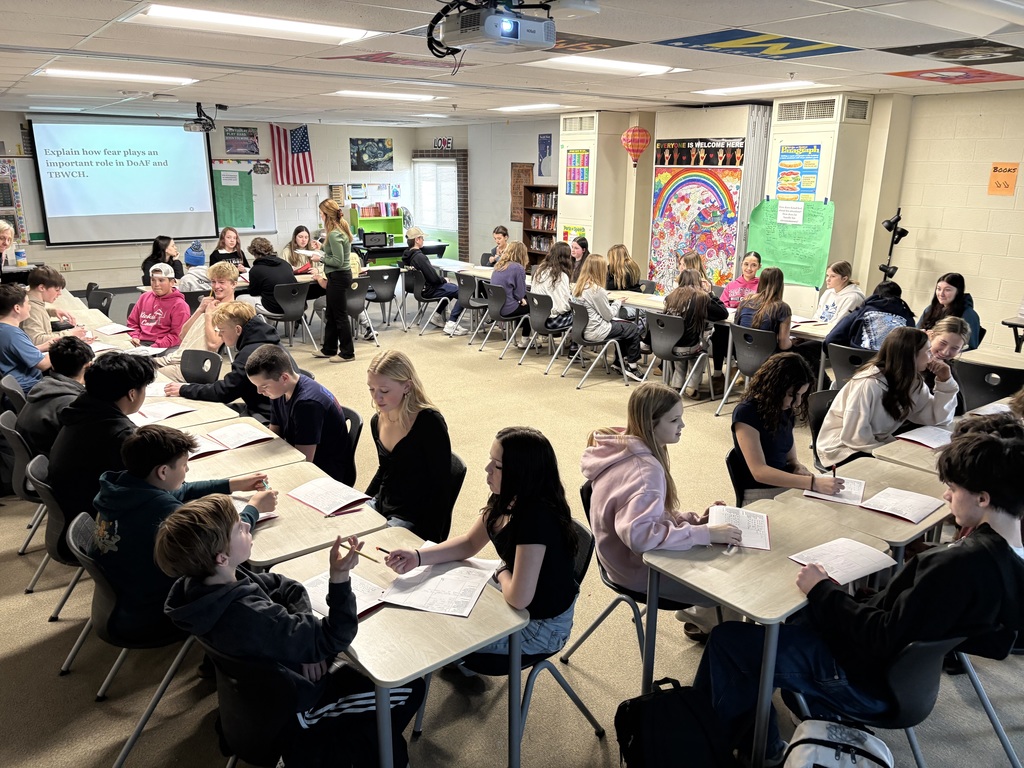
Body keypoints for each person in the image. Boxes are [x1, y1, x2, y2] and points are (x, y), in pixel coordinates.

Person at [693, 426, 1024, 765]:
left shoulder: (955, 566)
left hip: (865, 679)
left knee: (729, 641)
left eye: (953, 489)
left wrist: (823, 590)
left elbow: (879, 636)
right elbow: (934, 620)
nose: (946, 496)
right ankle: (800, 711)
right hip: (904, 679)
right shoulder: (1008, 558)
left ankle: (740, 747)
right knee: (795, 615)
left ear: (983, 499)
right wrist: (869, 595)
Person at [156, 497, 423, 767]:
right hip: (298, 709)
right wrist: (339, 578)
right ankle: (327, 753)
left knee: (366, 688)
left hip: (263, 699)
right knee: (410, 689)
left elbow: (286, 586)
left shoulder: (205, 587)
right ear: (222, 557)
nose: (247, 526)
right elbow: (337, 636)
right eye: (239, 528)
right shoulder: (251, 615)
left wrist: (306, 645)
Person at [385, 426, 579, 658]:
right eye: (490, 460)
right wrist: (418, 557)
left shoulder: (536, 519)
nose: (487, 469)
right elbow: (469, 543)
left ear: (521, 473)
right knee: (439, 594)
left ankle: (461, 662)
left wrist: (503, 572)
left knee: (437, 635)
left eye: (497, 465)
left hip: (539, 627)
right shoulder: (507, 497)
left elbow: (519, 598)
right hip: (519, 594)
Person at [581, 383, 741, 633]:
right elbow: (641, 537)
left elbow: (649, 515)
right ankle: (723, 638)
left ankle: (708, 621)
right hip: (636, 570)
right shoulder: (646, 472)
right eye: (674, 419)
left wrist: (695, 521)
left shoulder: (623, 447)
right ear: (650, 423)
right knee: (733, 584)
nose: (682, 425)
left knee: (720, 556)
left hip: (619, 559)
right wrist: (706, 533)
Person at [91, 424, 275, 627]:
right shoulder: (164, 512)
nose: (187, 470)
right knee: (233, 565)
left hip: (122, 597)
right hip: (154, 610)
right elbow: (223, 539)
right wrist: (255, 507)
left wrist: (232, 484)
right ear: (163, 471)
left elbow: (181, 490)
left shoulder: (122, 487)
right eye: (184, 465)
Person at [817, 326, 958, 467]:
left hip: (874, 443)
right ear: (910, 356)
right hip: (843, 449)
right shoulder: (868, 384)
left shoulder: (912, 381)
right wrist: (891, 452)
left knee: (928, 461)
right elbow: (855, 437)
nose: (931, 356)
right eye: (927, 351)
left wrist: (945, 381)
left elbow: (937, 418)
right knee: (907, 468)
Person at [48, 352, 156, 522]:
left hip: (73, 504)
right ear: (132, 394)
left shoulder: (80, 408)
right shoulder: (121, 435)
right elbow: (151, 484)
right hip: (99, 515)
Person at [731, 352, 844, 504]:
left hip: (783, 484)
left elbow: (790, 459)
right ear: (774, 388)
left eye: (801, 395)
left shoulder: (783, 409)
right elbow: (759, 472)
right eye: (792, 394)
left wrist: (797, 467)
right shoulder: (746, 413)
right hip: (759, 492)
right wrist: (812, 483)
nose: (797, 402)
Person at [366, 350, 453, 542]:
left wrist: (432, 544)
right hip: (384, 503)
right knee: (343, 528)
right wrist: (362, 500)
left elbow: (441, 487)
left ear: (407, 386)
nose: (376, 398)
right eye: (371, 389)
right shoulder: (377, 420)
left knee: (374, 545)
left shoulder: (429, 423)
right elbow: (385, 470)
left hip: (413, 514)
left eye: (384, 391)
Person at [245, 344, 356, 486]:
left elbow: (304, 462)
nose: (259, 392)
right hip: (300, 457)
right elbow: (275, 435)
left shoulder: (307, 404)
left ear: (284, 377)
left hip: (325, 473)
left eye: (264, 386)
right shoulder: (279, 391)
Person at [164, 301, 280, 421]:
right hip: (266, 408)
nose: (219, 334)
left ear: (238, 330)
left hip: (266, 416)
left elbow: (224, 392)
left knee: (203, 415)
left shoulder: (249, 355)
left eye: (222, 330)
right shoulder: (268, 341)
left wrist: (184, 389)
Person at [155, 261, 240, 383]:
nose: (216, 286)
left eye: (221, 282)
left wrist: (209, 315)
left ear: (234, 284)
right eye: (213, 282)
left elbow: (213, 344)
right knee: (134, 364)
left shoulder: (230, 311)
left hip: (193, 366)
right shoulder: (210, 306)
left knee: (142, 375)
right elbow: (182, 335)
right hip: (176, 358)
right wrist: (200, 310)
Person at [16, 336, 94, 457]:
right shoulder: (72, 402)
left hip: (33, 451)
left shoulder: (44, 384)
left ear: (52, 365)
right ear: (88, 366)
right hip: (48, 456)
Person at [571, 253, 643, 380]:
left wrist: (603, 296)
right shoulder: (596, 291)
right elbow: (609, 316)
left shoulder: (578, 286)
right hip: (596, 331)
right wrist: (617, 302)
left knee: (623, 327)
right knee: (633, 328)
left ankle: (618, 362)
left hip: (580, 330)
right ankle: (632, 367)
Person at [660, 269, 728, 396]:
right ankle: (692, 386)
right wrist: (710, 293)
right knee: (702, 348)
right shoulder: (701, 298)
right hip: (689, 347)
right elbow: (723, 313)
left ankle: (677, 384)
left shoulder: (670, 297)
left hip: (669, 346)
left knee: (682, 344)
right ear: (699, 282)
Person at [401, 225, 467, 337]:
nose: (423, 240)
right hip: (428, 290)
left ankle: (437, 316)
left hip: (418, 289)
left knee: (450, 288)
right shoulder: (420, 257)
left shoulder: (407, 256)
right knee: (463, 292)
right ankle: (452, 323)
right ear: (417, 240)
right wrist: (443, 279)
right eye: (422, 238)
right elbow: (433, 278)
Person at [312, 199, 357, 361]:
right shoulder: (337, 230)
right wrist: (321, 248)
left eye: (321, 214)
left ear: (326, 215)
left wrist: (320, 258)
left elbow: (337, 261)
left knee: (340, 316)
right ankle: (329, 349)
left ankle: (347, 353)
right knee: (331, 314)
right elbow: (334, 252)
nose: (320, 216)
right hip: (337, 276)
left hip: (338, 276)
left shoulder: (334, 234)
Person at [824, 280, 915, 350]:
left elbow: (831, 339)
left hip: (857, 363)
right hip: (891, 366)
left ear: (875, 295)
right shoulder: (908, 318)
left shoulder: (861, 311)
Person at [0, 282, 51, 393]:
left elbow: (15, 353)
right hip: (30, 389)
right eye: (27, 303)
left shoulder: (4, 329)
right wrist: (61, 349)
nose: (30, 307)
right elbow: (43, 364)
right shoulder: (13, 334)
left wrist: (43, 346)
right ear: (17, 308)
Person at [128, 263, 191, 348]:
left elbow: (177, 335)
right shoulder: (144, 297)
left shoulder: (180, 305)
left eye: (161, 280)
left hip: (165, 345)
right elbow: (132, 323)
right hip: (141, 342)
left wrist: (155, 347)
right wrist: (135, 336)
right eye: (153, 280)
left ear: (172, 282)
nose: (156, 284)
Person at [21, 266, 85, 348]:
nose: (59, 294)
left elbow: (37, 314)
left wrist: (52, 311)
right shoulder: (31, 308)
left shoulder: (32, 301)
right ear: (41, 288)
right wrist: (69, 334)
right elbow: (36, 340)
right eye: (57, 290)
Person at [918, 272, 982, 350]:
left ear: (958, 292)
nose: (941, 294)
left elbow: (970, 346)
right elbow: (915, 332)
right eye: (938, 289)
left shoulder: (968, 314)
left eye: (947, 290)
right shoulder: (930, 309)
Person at [735, 266, 792, 351]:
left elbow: (736, 326)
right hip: (769, 356)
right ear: (780, 285)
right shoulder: (783, 308)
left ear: (760, 282)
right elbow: (783, 345)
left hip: (742, 353)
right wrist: (793, 342)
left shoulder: (745, 302)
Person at [489, 240, 532, 348]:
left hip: (494, 308)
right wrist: (522, 299)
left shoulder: (498, 265)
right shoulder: (518, 268)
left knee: (524, 304)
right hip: (508, 309)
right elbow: (520, 294)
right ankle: (525, 339)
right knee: (532, 307)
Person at [241, 237, 296, 314]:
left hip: (274, 309)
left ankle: (259, 321)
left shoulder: (255, 270)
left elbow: (253, 292)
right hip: (295, 306)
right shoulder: (285, 264)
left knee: (239, 298)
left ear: (253, 252)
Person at [529, 240, 573, 331]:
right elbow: (563, 307)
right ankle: (572, 340)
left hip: (537, 318)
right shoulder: (561, 276)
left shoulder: (540, 270)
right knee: (582, 316)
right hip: (552, 321)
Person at [811, 261, 865, 327]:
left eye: (833, 276)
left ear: (844, 279)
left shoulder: (853, 298)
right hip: (818, 330)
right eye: (827, 275)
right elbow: (817, 316)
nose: (827, 279)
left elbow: (839, 324)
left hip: (834, 332)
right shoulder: (828, 293)